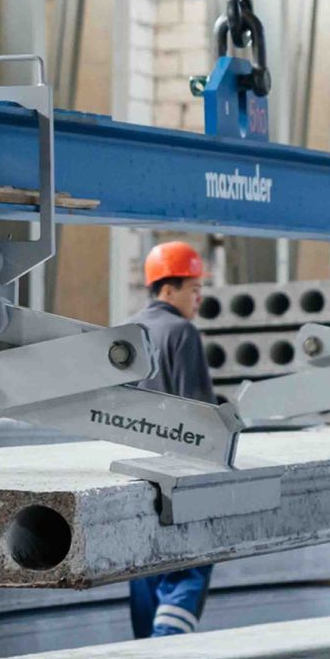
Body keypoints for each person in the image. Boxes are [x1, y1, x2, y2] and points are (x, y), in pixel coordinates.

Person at [127, 240, 219, 638]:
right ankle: (169, 646)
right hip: (179, 475)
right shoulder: (182, 333)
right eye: (193, 290)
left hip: (133, 473)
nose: (198, 299)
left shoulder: (128, 332)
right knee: (192, 561)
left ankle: (144, 656)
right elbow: (198, 415)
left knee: (142, 564)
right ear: (168, 290)